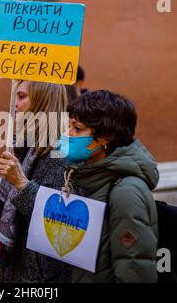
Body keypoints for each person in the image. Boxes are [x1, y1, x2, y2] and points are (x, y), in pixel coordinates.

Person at [57, 89, 159, 282]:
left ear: (106, 138)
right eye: (69, 126)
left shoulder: (126, 193)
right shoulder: (86, 177)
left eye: (77, 128)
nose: (68, 134)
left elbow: (135, 271)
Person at [0, 80, 72, 283]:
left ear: (42, 102)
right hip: (18, 270)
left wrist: (21, 183)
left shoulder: (60, 153)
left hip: (42, 278)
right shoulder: (27, 147)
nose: (14, 104)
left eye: (21, 97)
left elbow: (60, 222)